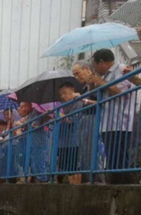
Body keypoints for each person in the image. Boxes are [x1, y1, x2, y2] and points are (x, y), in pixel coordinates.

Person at [90, 48, 137, 184]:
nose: (96, 69)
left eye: (95, 65)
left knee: (119, 157)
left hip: (120, 122)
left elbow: (119, 91)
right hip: (107, 123)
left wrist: (99, 81)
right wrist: (93, 83)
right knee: (112, 157)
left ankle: (125, 185)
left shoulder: (122, 70)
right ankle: (116, 184)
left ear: (101, 62)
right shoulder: (104, 77)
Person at [56, 82, 84, 184]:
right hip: (64, 142)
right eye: (60, 95)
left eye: (64, 93)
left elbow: (73, 120)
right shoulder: (65, 106)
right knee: (65, 169)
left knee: (74, 168)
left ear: (72, 90)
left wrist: (61, 115)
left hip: (74, 141)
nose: (62, 96)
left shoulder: (78, 103)